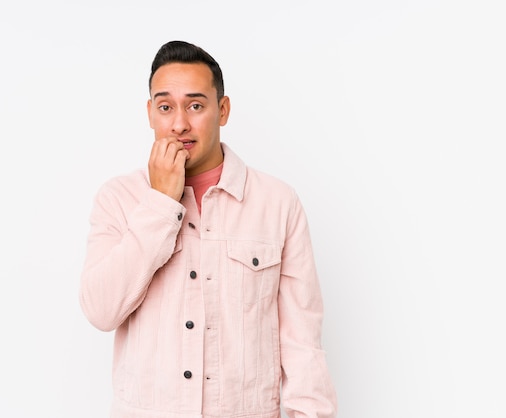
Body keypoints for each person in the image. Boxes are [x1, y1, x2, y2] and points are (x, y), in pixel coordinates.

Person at [79, 40, 337, 418]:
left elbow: (303, 347)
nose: (179, 123)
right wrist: (161, 205)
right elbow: (101, 311)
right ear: (150, 113)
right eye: (166, 107)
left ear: (223, 110)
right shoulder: (119, 198)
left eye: (195, 105)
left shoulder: (277, 203)